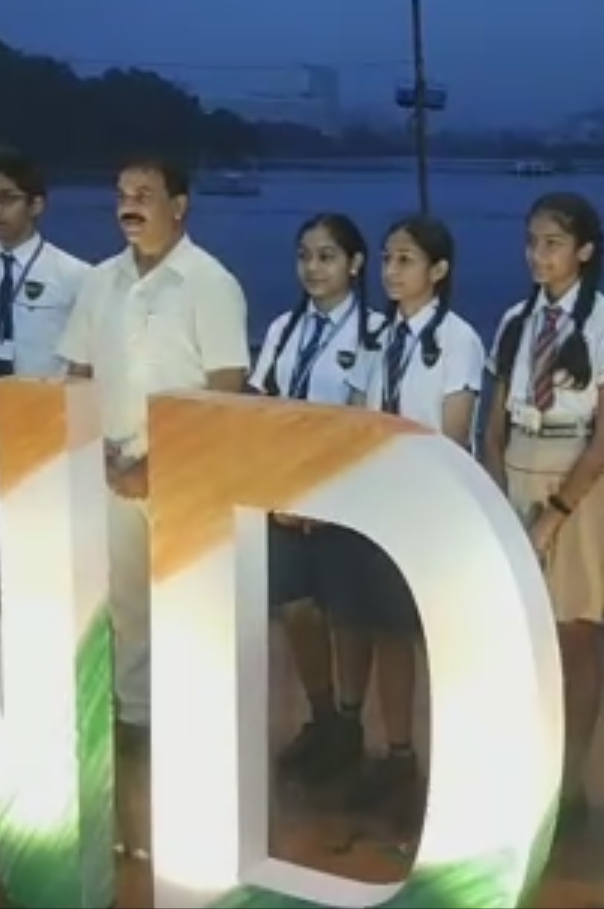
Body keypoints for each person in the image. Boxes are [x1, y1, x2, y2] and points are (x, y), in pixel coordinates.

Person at [58, 156, 251, 735]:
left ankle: (203, 724)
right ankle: (137, 719)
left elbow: (227, 385)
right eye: (122, 193)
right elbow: (78, 368)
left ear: (179, 205)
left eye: (144, 193)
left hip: (186, 470)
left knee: (195, 603)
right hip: (111, 465)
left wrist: (160, 461)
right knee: (126, 602)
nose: (129, 205)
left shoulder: (210, 282)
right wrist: (89, 449)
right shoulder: (101, 280)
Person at [480, 191, 604, 827]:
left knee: (574, 634)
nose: (538, 255)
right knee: (522, 632)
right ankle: (529, 766)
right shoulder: (516, 318)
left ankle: (570, 782)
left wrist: (559, 510)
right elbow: (493, 421)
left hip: (575, 477)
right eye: (532, 242)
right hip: (519, 464)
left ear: (584, 251)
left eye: (552, 243)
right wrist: (495, 488)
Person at [342, 213, 485, 818]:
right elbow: (354, 417)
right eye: (386, 259)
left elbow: (454, 434)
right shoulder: (376, 335)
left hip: (434, 510)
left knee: (441, 644)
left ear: (439, 270)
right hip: (379, 510)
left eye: (405, 260)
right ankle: (399, 755)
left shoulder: (459, 340)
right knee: (386, 634)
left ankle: (460, 768)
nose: (391, 271)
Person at [248, 212, 384, 784]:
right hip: (284, 498)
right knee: (296, 609)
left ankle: (351, 725)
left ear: (354, 265)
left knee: (350, 616)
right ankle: (322, 715)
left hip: (345, 502)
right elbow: (260, 405)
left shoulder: (377, 334)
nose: (312, 267)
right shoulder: (283, 329)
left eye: (326, 256)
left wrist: (323, 497)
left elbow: (365, 427)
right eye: (304, 255)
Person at [0, 145, 90, 594]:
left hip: (50, 417)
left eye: (7, 198)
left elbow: (87, 360)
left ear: (36, 205)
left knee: (50, 529)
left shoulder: (74, 274)